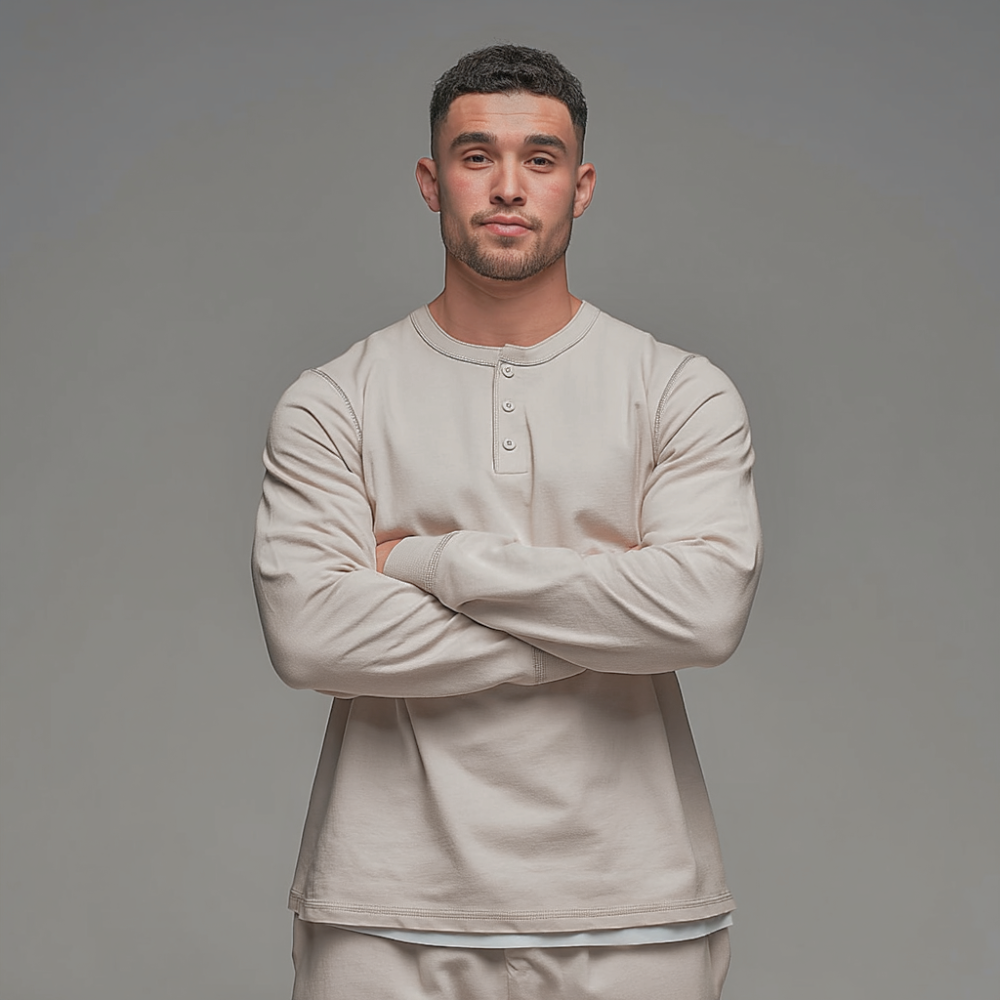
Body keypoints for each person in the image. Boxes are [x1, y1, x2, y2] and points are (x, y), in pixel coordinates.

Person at [252, 43, 762, 1000]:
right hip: (383, 907)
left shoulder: (678, 391)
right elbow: (312, 636)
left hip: (635, 907)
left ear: (582, 184)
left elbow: (700, 615)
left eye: (540, 159)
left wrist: (428, 560)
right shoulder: (332, 403)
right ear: (429, 179)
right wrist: (601, 622)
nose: (507, 187)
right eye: (476, 155)